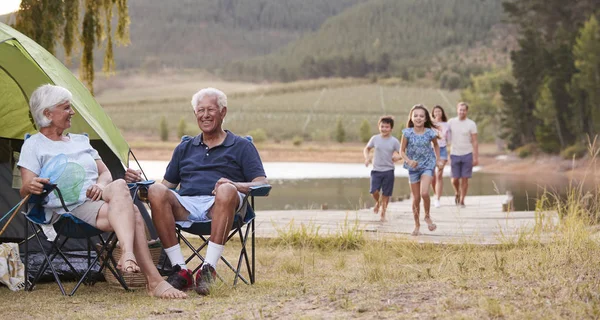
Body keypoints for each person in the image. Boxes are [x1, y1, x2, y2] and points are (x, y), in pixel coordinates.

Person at [18, 84, 186, 299]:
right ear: (47, 113)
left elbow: (105, 173)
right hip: (70, 211)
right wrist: (31, 186)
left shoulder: (81, 141)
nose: (72, 112)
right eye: (66, 108)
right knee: (133, 212)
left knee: (116, 185)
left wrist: (99, 185)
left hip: (99, 198)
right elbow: (26, 188)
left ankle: (128, 255)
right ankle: (154, 280)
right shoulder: (34, 146)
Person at [125, 87, 267, 296]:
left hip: (222, 206)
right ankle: (180, 270)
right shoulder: (184, 148)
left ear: (223, 112)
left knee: (226, 190)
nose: (205, 115)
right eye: (200, 110)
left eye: (211, 109)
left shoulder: (242, 146)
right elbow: (164, 189)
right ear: (195, 114)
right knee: (155, 189)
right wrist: (140, 186)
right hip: (187, 205)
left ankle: (208, 269)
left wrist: (235, 185)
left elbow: (262, 184)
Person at [400, 104, 443, 236]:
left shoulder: (430, 133)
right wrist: (408, 161)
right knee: (416, 198)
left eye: (421, 116)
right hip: (413, 168)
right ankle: (417, 224)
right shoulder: (407, 133)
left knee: (425, 193)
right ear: (412, 118)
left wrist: (438, 159)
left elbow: (436, 145)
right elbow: (401, 151)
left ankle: (427, 216)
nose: (418, 118)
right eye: (416, 115)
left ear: (425, 119)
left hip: (428, 165)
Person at [363, 116, 401, 222]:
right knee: (373, 191)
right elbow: (367, 148)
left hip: (388, 170)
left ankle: (383, 214)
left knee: (386, 194)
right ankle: (378, 203)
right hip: (376, 170)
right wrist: (367, 157)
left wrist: (397, 157)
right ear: (379, 127)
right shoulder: (375, 138)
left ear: (391, 128)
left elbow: (402, 153)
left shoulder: (394, 141)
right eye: (382, 126)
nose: (384, 129)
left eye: (387, 127)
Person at [447, 102, 478, 208]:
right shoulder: (451, 122)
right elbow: (443, 135)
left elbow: (475, 141)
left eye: (464, 110)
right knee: (454, 179)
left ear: (467, 111)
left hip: (467, 154)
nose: (462, 112)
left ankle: (462, 200)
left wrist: (476, 157)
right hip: (454, 153)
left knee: (465, 178)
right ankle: (457, 192)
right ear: (457, 110)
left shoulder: (471, 124)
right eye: (460, 110)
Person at [430, 105, 450, 208]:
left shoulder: (447, 125)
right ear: (433, 114)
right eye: (435, 112)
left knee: (439, 174)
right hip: (431, 150)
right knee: (432, 176)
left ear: (442, 113)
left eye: (439, 111)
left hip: (442, 150)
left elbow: (449, 139)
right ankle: (435, 193)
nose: (437, 113)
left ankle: (438, 199)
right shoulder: (430, 124)